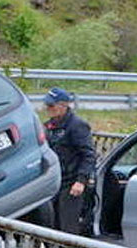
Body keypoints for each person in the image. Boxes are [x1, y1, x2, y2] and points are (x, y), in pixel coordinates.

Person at [43, 87, 96, 235]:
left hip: (71, 185)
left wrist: (81, 181)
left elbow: (89, 155)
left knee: (68, 228)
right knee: (52, 226)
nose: (48, 109)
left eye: (51, 105)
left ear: (63, 105)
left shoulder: (77, 125)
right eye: (47, 105)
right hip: (54, 182)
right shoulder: (49, 126)